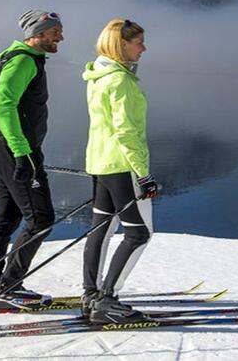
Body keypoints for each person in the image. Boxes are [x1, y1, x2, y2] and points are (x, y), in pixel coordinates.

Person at [0, 9, 64, 309]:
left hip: (7, 149)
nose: (61, 37)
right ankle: (9, 287)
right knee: (41, 219)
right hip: (17, 151)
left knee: (8, 217)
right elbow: (4, 107)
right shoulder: (24, 61)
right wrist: (22, 153)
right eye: (56, 32)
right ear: (38, 32)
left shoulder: (24, 59)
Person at [80, 18, 159, 324]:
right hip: (124, 165)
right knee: (139, 234)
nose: (144, 48)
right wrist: (144, 174)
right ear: (121, 44)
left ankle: (91, 294)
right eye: (139, 42)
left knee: (101, 228)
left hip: (101, 163)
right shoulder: (121, 82)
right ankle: (107, 300)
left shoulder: (98, 77)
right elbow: (126, 132)